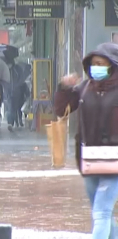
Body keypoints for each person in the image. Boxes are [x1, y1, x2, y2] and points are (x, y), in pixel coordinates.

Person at [54, 42, 118, 239]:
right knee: (100, 212)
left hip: (115, 160)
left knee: (101, 211)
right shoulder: (84, 87)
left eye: (101, 63)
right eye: (93, 63)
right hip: (89, 158)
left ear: (112, 65)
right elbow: (60, 110)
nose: (96, 67)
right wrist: (64, 88)